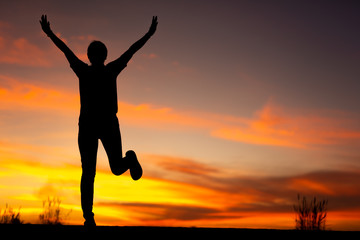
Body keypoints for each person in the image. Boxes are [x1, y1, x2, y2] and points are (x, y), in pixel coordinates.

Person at [40, 14, 158, 227]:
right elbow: (130, 50)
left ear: (98, 56)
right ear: (99, 56)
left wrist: (50, 34)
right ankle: (89, 217)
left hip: (105, 124)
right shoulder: (91, 70)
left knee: (109, 168)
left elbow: (67, 50)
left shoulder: (101, 70)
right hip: (89, 126)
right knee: (89, 171)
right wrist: (148, 34)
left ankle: (129, 159)